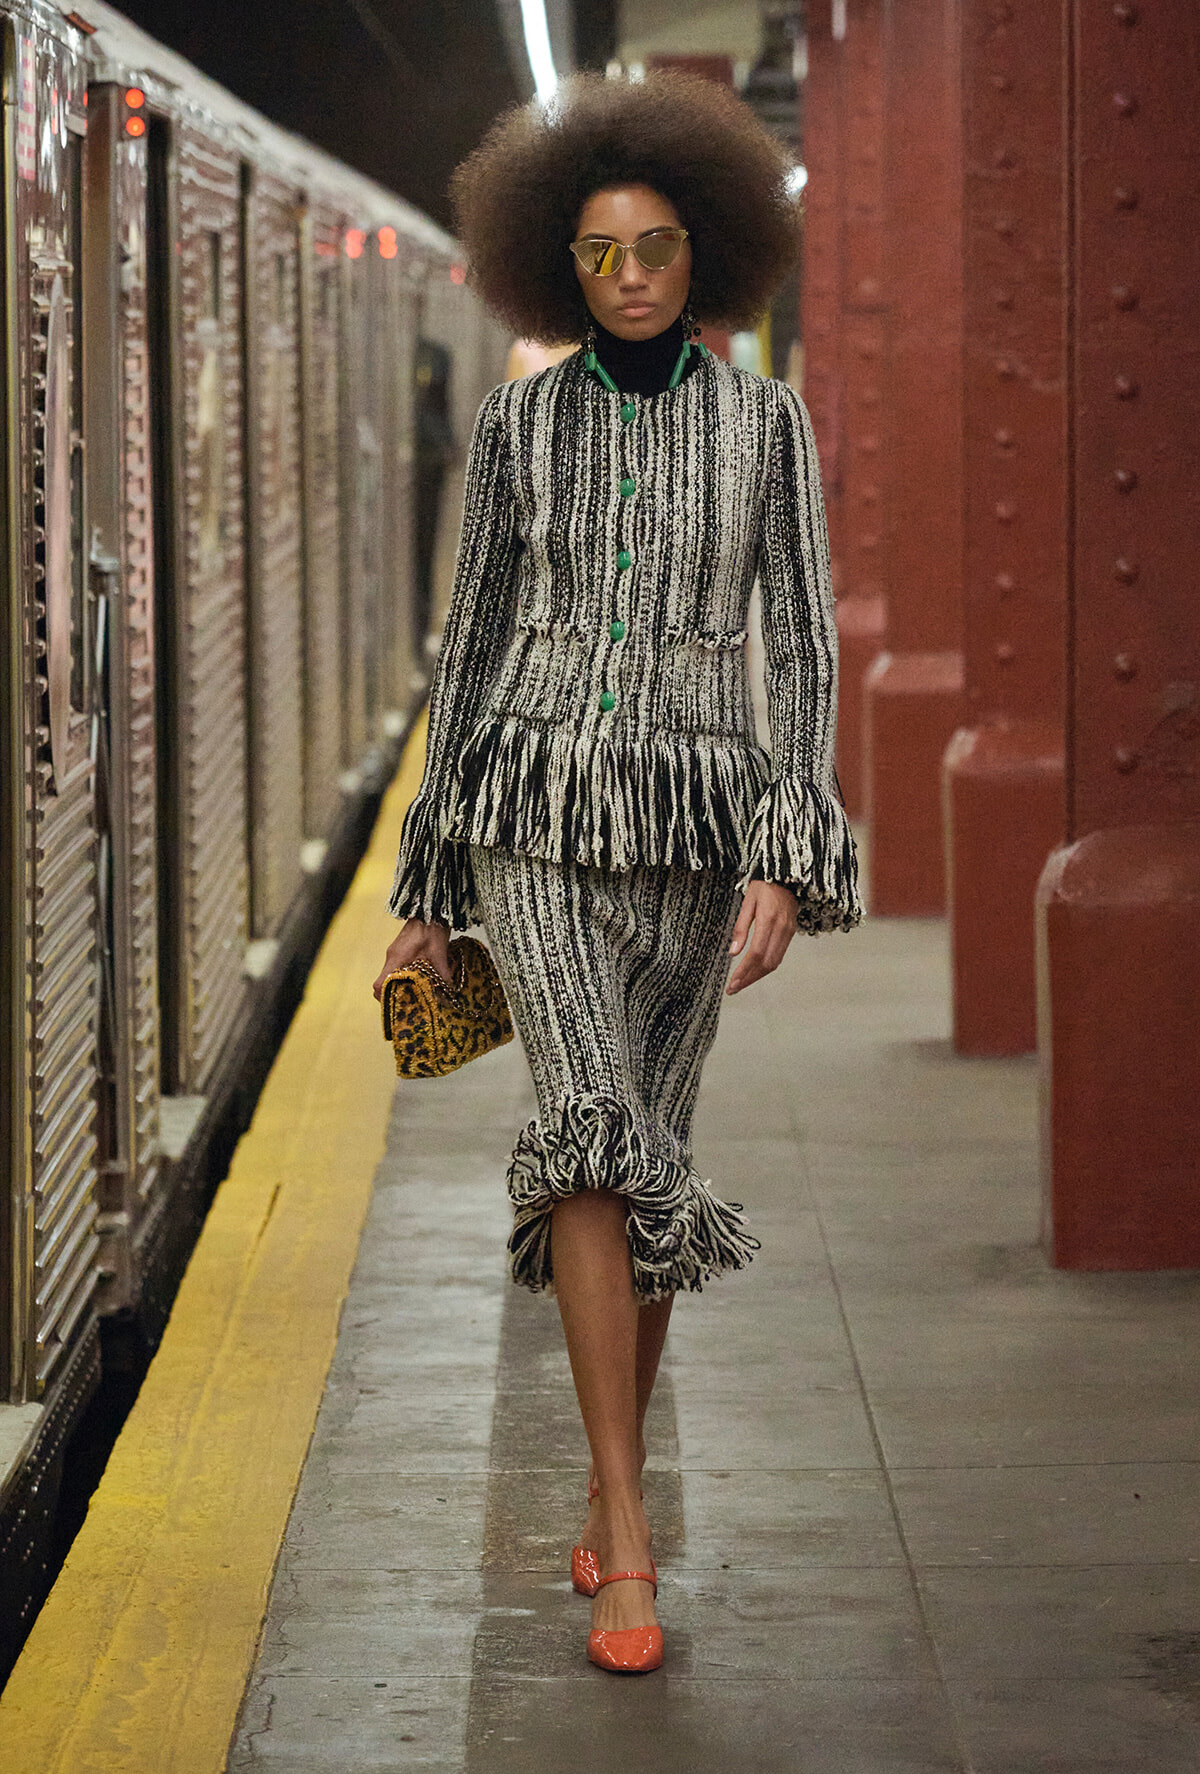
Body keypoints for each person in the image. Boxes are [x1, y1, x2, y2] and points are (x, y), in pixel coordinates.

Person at [373, 70, 860, 1675]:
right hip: (536, 821)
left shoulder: (768, 427)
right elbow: (475, 638)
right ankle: (632, 1526)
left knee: (644, 1156)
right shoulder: (520, 424)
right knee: (584, 1133)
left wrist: (789, 850)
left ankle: (603, 1466)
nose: (632, 273)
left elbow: (796, 642)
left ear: (701, 251)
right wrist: (428, 881)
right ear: (557, 267)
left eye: (655, 245)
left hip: (699, 845)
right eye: (599, 251)